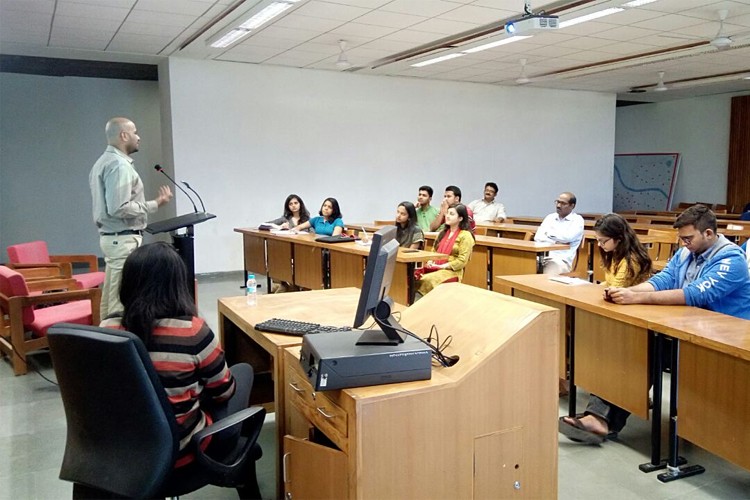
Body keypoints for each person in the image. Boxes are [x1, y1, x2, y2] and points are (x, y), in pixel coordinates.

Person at [101, 242, 257, 496]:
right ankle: (240, 459)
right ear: (177, 284)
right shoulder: (192, 332)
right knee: (244, 372)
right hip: (180, 454)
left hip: (122, 450)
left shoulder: (108, 329)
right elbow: (223, 393)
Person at [559, 213, 652, 444]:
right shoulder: (613, 255)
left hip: (637, 320)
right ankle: (598, 418)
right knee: (608, 358)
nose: (599, 245)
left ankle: (599, 419)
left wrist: (603, 288)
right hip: (618, 315)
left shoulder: (632, 259)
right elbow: (610, 285)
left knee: (617, 362)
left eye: (603, 241)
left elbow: (617, 288)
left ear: (619, 238)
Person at [89, 117, 173, 320]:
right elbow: (119, 208)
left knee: (111, 293)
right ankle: (115, 344)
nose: (139, 137)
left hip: (113, 237)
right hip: (122, 238)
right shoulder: (119, 166)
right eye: (135, 132)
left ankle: (104, 338)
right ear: (123, 135)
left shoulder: (103, 162)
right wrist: (156, 204)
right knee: (120, 297)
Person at [608, 205, 750, 319]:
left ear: (708, 233)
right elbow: (663, 280)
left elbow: (694, 294)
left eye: (688, 238)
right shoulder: (686, 252)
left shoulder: (731, 259)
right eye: (682, 239)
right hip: (697, 321)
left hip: (730, 328)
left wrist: (636, 297)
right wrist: (624, 292)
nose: (684, 244)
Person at [416, 203, 475, 296]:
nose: (447, 216)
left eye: (452, 214)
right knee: (415, 276)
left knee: (428, 280)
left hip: (452, 271)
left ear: (460, 218)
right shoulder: (442, 233)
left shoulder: (466, 236)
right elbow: (433, 251)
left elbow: (462, 261)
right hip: (436, 267)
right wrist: (431, 261)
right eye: (447, 213)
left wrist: (443, 266)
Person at [534, 192, 584, 275]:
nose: (558, 205)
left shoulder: (577, 220)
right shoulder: (550, 217)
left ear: (572, 206)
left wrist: (547, 234)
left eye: (563, 203)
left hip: (561, 261)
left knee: (547, 280)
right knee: (522, 266)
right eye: (557, 202)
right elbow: (538, 237)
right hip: (542, 257)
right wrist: (555, 242)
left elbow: (567, 237)